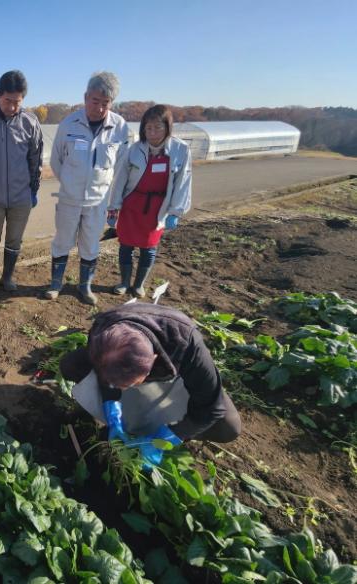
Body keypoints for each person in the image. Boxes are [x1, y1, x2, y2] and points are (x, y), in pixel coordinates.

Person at [61, 303, 242, 468]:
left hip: (178, 376)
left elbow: (212, 408)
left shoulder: (186, 342)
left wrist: (170, 435)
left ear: (153, 360)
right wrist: (112, 406)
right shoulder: (102, 333)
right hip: (128, 364)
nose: (123, 389)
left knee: (229, 427)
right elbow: (104, 372)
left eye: (130, 384)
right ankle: (121, 414)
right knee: (70, 364)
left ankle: (171, 429)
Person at [47, 71, 129, 305]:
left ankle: (85, 286)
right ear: (85, 97)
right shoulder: (69, 124)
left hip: (97, 200)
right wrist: (71, 183)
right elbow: (56, 160)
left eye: (106, 103)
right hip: (69, 199)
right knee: (62, 241)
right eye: (95, 101)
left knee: (91, 244)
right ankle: (55, 284)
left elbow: (121, 165)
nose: (100, 108)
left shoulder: (119, 127)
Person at [107, 105, 192, 297]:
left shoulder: (180, 150)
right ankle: (123, 282)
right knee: (126, 245)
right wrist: (113, 208)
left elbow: (183, 182)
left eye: (158, 127)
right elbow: (120, 179)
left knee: (149, 247)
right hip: (133, 204)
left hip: (158, 208)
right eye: (148, 128)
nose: (152, 132)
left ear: (168, 128)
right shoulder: (135, 149)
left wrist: (175, 211)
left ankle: (138, 284)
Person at [0, 70, 44, 291]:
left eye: (17, 102)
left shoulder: (30, 123)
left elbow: (35, 159)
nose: (12, 107)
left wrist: (34, 189)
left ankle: (8, 277)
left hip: (21, 195)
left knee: (14, 239)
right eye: (7, 101)